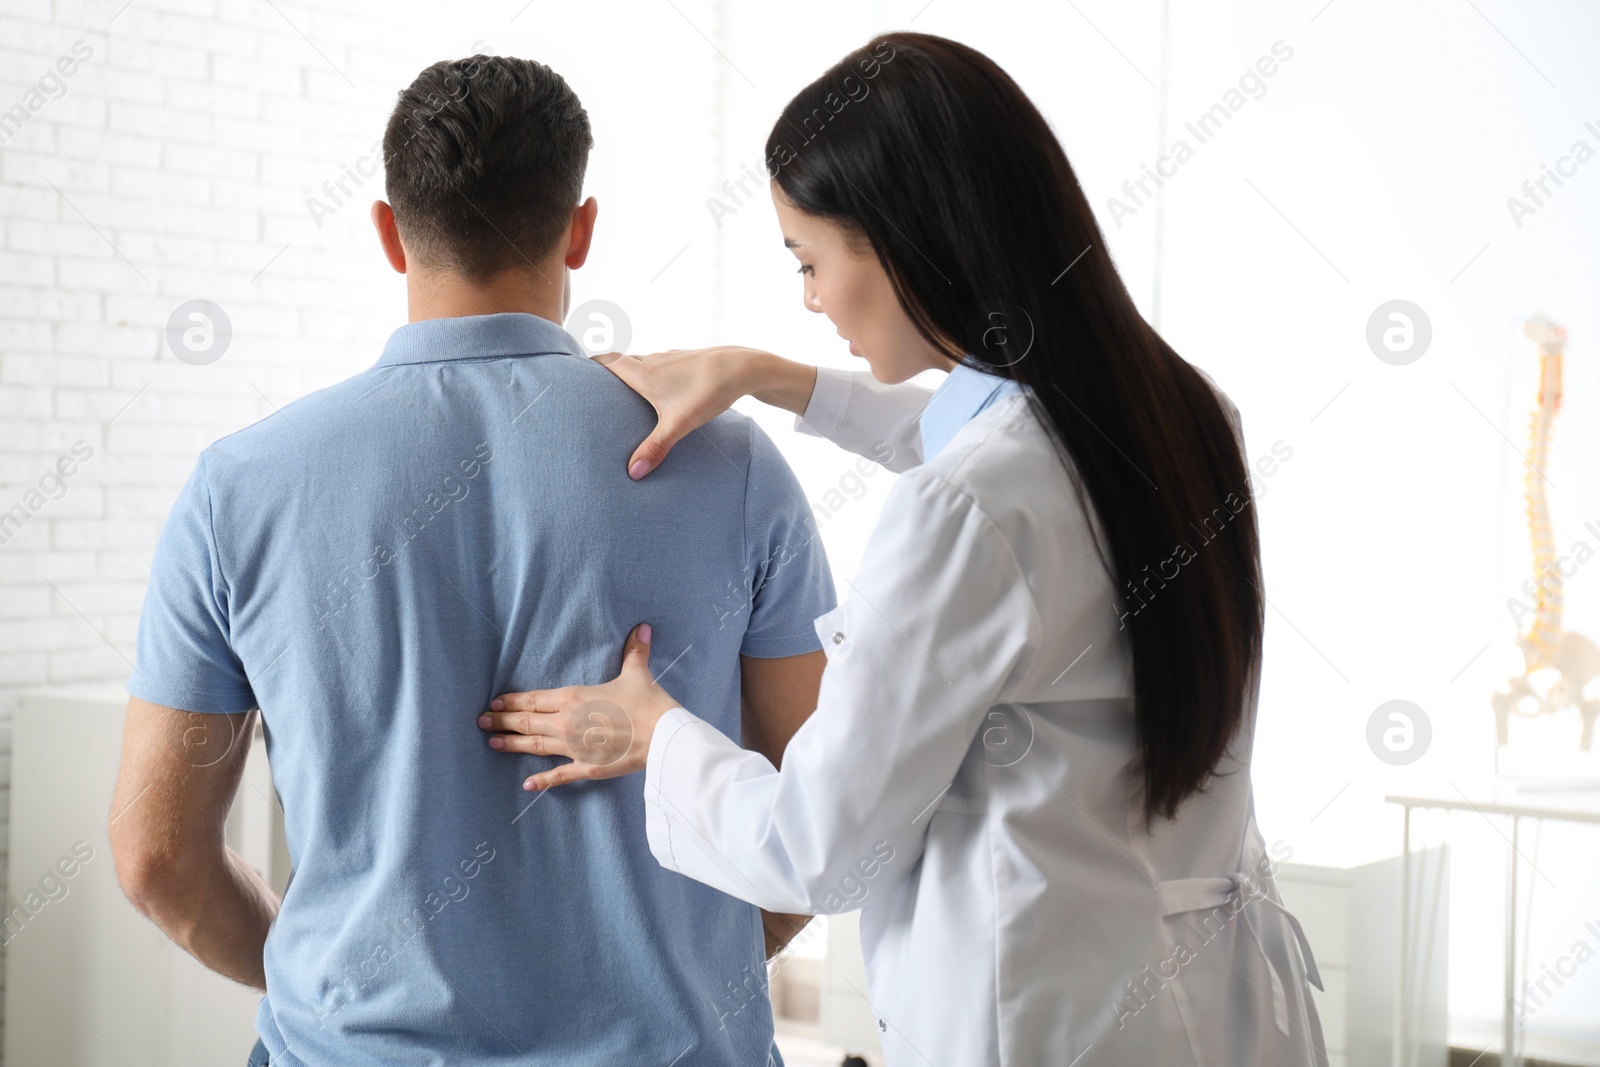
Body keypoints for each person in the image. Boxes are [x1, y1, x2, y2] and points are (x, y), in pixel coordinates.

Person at [479, 32, 1329, 1067]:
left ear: (904, 240)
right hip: (1212, 1007)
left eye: (809, 261)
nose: (811, 298)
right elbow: (993, 451)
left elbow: (817, 846)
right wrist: (769, 374)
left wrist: (655, 732)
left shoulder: (967, 507)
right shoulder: (1180, 413)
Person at [109, 55, 834, 1066]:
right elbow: (822, 815)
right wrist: (693, 978)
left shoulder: (239, 485)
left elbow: (156, 859)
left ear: (387, 231)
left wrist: (337, 992)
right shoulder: (731, 465)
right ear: (579, 228)